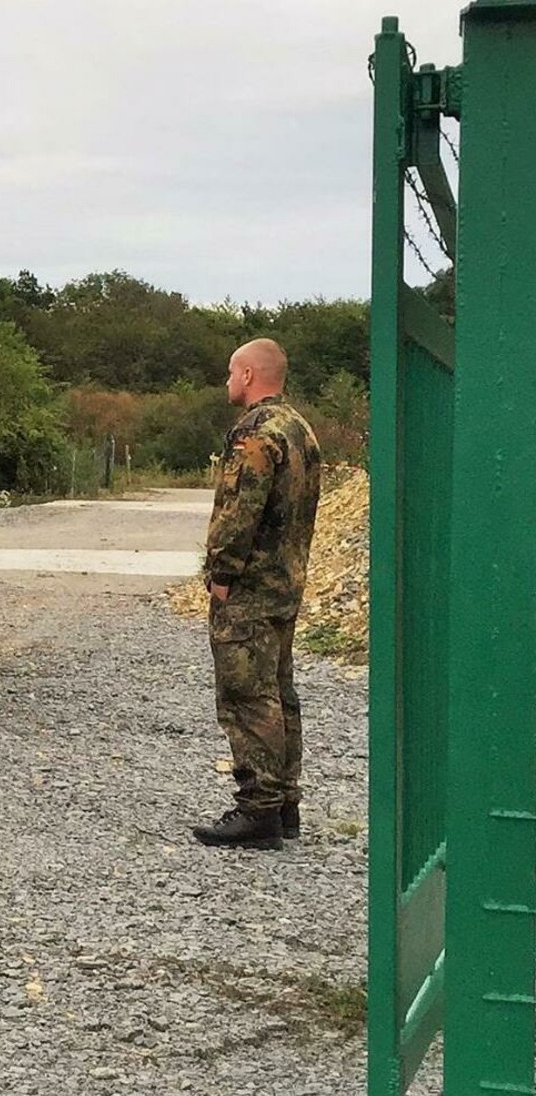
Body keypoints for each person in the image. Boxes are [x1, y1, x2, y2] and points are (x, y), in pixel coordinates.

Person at [192, 338, 323, 850]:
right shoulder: (299, 428)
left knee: (248, 694)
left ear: (248, 375)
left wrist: (221, 571)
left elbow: (240, 509)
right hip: (285, 581)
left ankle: (258, 810)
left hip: (249, 585)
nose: (227, 382)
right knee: (279, 691)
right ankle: (285, 802)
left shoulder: (256, 433)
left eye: (231, 373)